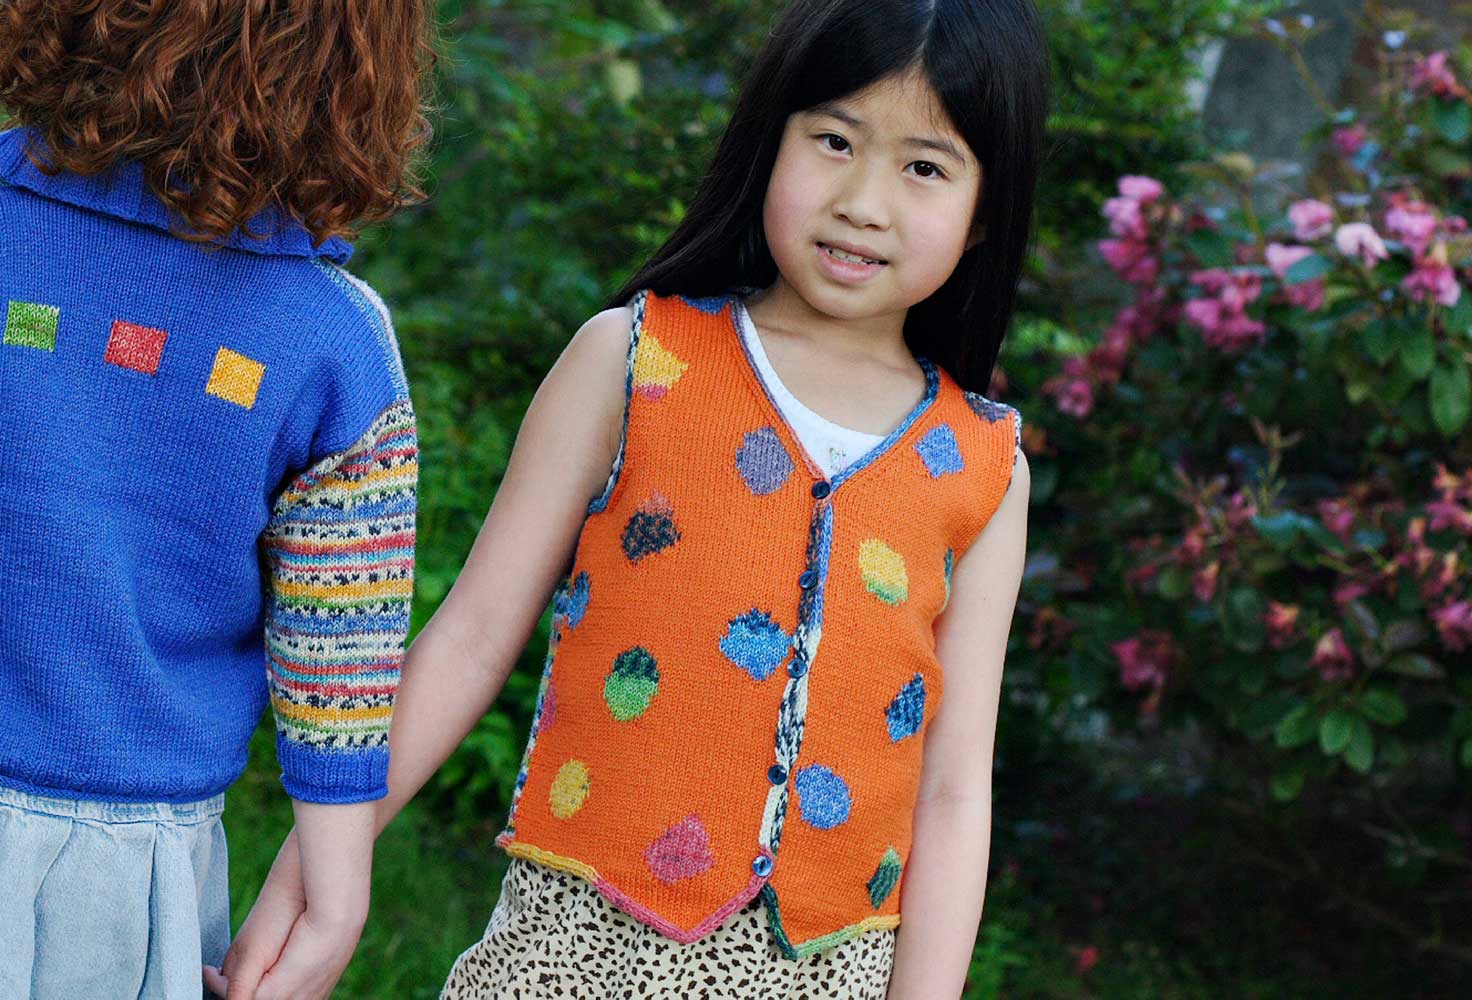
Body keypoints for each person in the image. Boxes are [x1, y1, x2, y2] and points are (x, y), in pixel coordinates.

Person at [225, 0, 1047, 995]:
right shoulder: (630, 359)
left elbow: (956, 787)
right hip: (571, 951)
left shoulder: (985, 467)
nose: (864, 200)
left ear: (986, 208)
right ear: (768, 141)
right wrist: (313, 876)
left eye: (925, 165)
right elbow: (476, 633)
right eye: (835, 139)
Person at [0, 2, 433, 997]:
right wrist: (334, 895)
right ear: (354, 59)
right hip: (110, 879)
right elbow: (339, 654)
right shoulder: (332, 344)